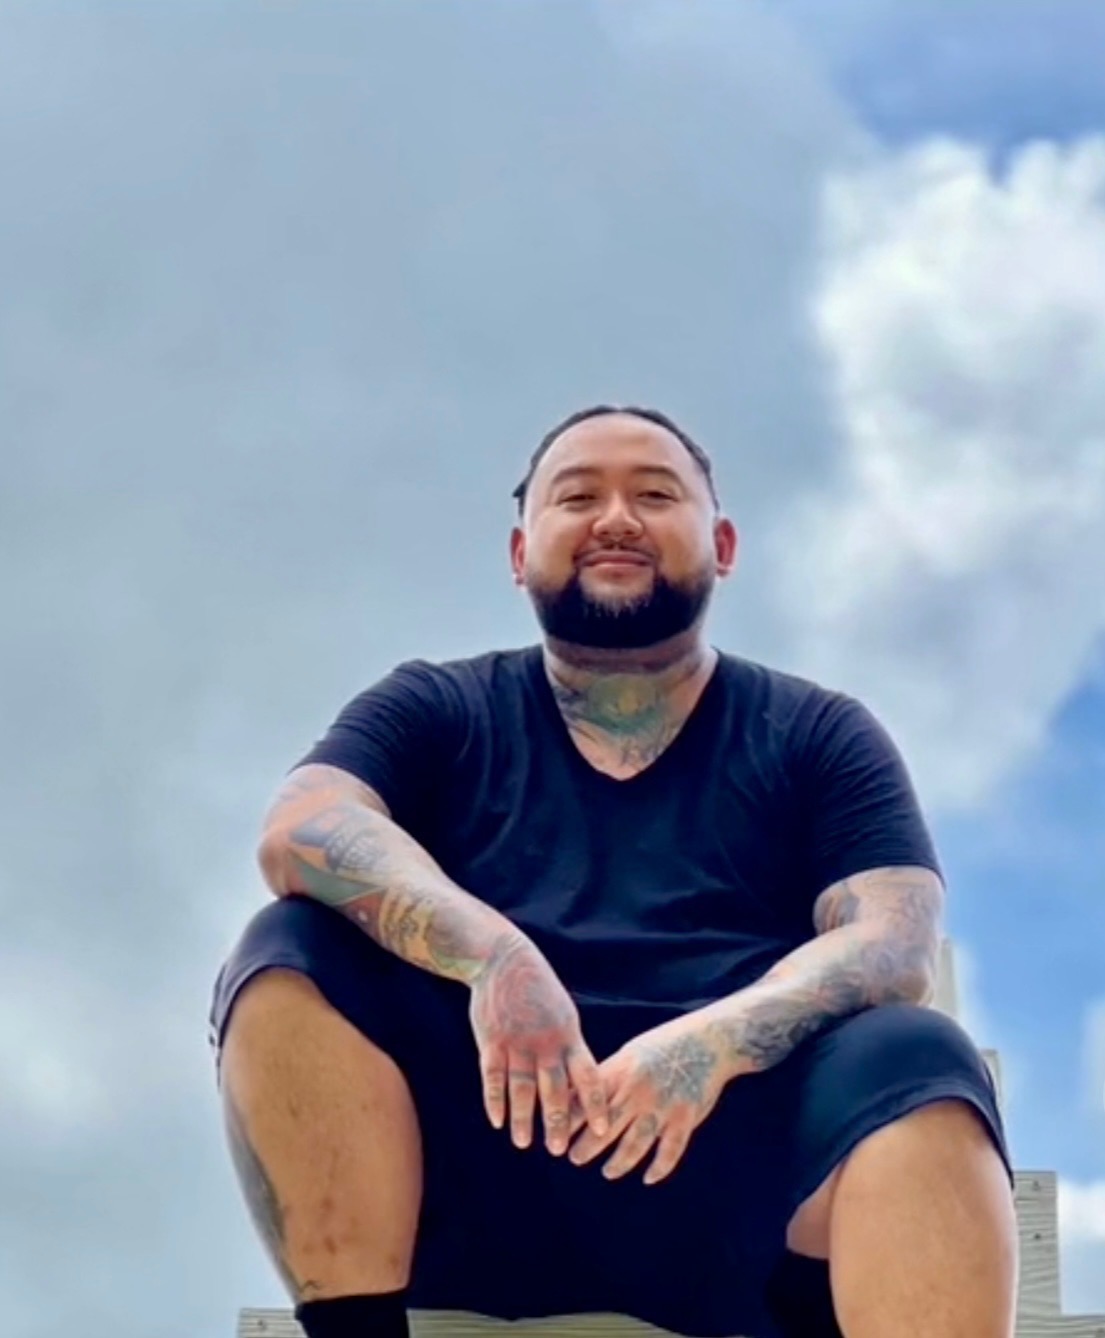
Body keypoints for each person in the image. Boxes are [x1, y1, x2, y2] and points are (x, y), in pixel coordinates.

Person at [209, 406, 1018, 1338]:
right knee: (290, 947)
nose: (617, 518)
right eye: (578, 496)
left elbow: (894, 940)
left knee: (919, 1054)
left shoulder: (816, 732)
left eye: (655, 494)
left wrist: (710, 1044)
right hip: (477, 1160)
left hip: (739, 1191)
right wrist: (494, 955)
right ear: (520, 554)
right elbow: (302, 827)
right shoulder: (436, 705)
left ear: (721, 545)